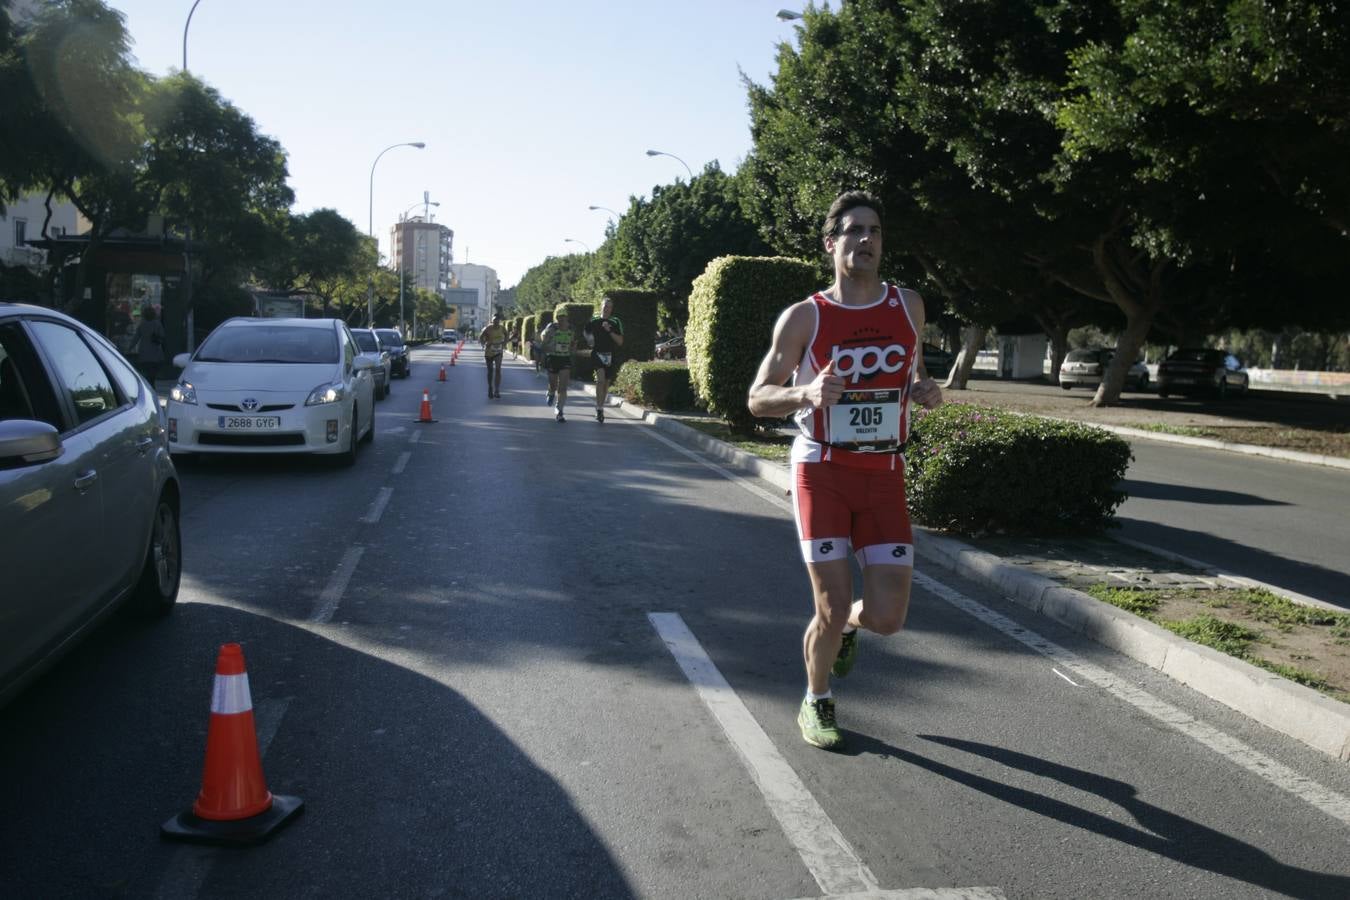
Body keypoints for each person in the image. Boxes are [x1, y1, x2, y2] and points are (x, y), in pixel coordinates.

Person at [747, 190, 943, 751]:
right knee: (828, 605)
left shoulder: (908, 305)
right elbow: (758, 397)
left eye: (875, 231)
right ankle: (817, 698)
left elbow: (910, 373)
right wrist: (805, 393)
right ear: (832, 244)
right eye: (854, 231)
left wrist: (923, 390)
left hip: (883, 473)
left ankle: (852, 628)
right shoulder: (806, 316)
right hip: (822, 472)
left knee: (888, 617)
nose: (866, 240)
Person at [583, 297, 624, 423]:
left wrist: (609, 330)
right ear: (601, 306)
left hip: (611, 355)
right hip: (597, 354)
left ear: (612, 309)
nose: (607, 309)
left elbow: (620, 341)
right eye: (605, 306)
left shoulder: (615, 321)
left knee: (606, 384)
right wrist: (590, 340)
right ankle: (599, 409)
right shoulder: (594, 320)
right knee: (600, 381)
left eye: (610, 307)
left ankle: (600, 406)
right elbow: (585, 332)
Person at [538, 310, 576, 422]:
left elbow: (573, 345)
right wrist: (552, 347)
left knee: (563, 387)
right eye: (559, 317)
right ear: (557, 318)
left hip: (565, 359)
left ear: (567, 318)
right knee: (553, 385)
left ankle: (560, 410)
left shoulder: (572, 330)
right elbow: (543, 347)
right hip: (553, 359)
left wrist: (572, 349)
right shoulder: (551, 330)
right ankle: (550, 392)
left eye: (564, 317)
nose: (562, 320)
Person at [132, 305, 166, 385]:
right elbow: (162, 336)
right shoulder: (157, 324)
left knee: (145, 373)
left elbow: (136, 338)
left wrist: (130, 348)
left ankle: (148, 385)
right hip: (155, 353)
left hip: (144, 353)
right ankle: (152, 384)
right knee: (153, 374)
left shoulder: (142, 325)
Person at [480, 313, 507, 399]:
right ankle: (490, 388)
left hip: (498, 351)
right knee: (490, 371)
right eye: (494, 321)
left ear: (499, 322)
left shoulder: (502, 328)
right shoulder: (488, 328)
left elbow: (506, 335)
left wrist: (504, 343)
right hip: (489, 352)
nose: (496, 323)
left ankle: (497, 390)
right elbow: (481, 336)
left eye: (497, 321)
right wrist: (483, 344)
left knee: (498, 370)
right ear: (492, 321)